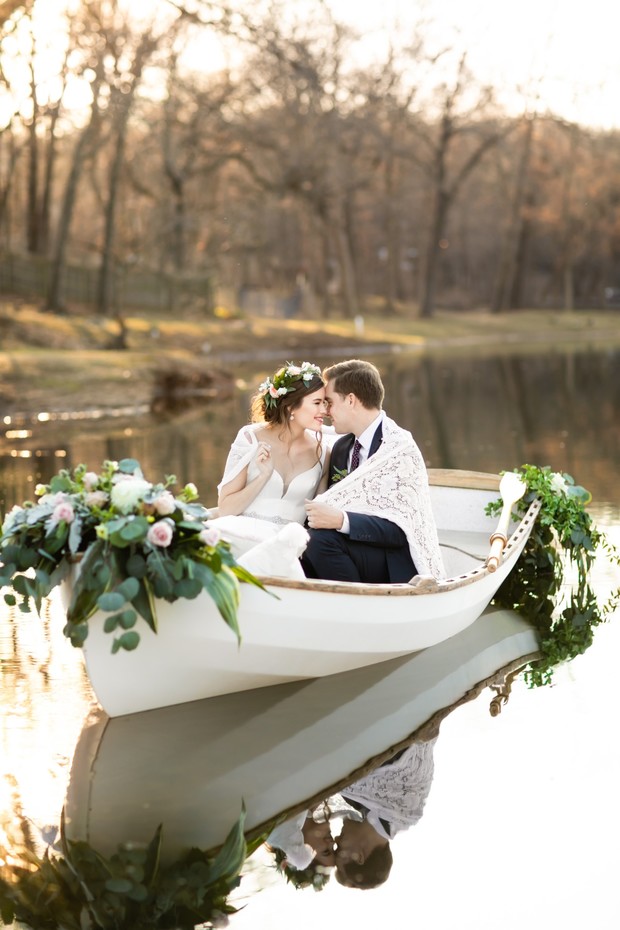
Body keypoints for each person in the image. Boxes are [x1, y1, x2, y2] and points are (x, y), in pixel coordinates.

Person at [301, 359, 445, 584]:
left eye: (329, 402)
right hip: (350, 550)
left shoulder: (400, 449)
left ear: (350, 400)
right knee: (299, 543)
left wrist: (342, 520)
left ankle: (358, 610)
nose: (326, 411)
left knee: (319, 541)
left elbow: (401, 531)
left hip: (391, 559)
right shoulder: (341, 448)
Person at [207, 361, 329, 566]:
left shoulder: (323, 453)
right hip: (241, 537)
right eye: (317, 403)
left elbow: (317, 518)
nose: (324, 410)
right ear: (292, 407)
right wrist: (263, 477)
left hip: (286, 551)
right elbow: (226, 508)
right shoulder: (250, 438)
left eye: (325, 402)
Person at [334, 736, 438, 890]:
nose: (335, 839)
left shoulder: (358, 802)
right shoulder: (408, 810)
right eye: (339, 851)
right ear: (360, 856)